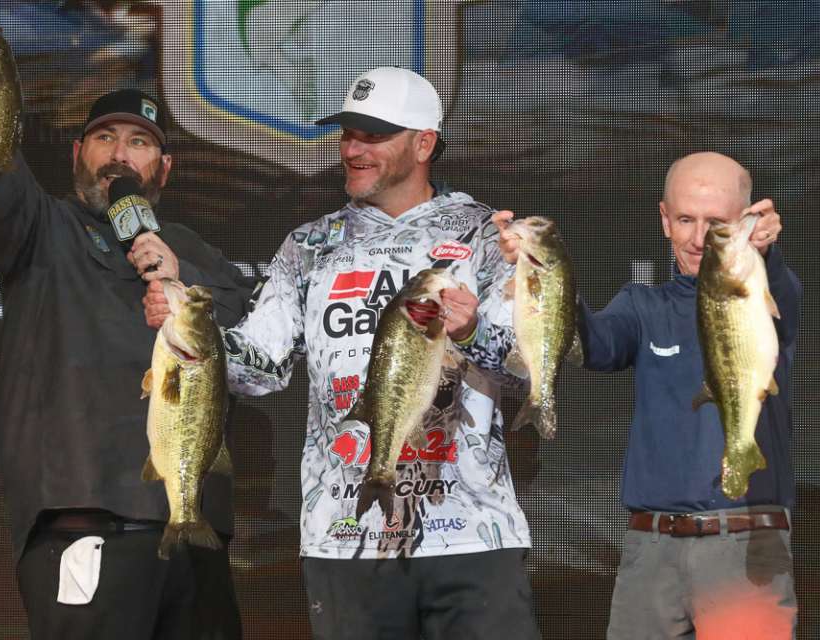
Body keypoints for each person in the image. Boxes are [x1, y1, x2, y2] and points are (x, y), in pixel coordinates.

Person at [145, 65, 541, 639]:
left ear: (424, 143)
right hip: (345, 531)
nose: (352, 150)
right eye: (347, 134)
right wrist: (191, 333)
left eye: (372, 136)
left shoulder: (486, 236)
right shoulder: (309, 246)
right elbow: (261, 366)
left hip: (472, 531)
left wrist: (472, 329)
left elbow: (528, 367)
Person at [0, 34, 251, 640]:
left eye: (139, 142)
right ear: (78, 152)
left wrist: (179, 273)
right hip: (86, 520)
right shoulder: (41, 226)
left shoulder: (188, 250)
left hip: (194, 532)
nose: (119, 155)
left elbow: (251, 336)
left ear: (164, 168)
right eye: (105, 138)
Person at [497, 151, 801, 639]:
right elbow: (594, 347)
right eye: (686, 219)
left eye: (717, 224)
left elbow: (781, 294)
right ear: (664, 220)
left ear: (747, 222)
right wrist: (543, 273)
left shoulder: (761, 296)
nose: (699, 238)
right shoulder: (642, 304)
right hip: (651, 547)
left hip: (746, 540)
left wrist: (765, 253)